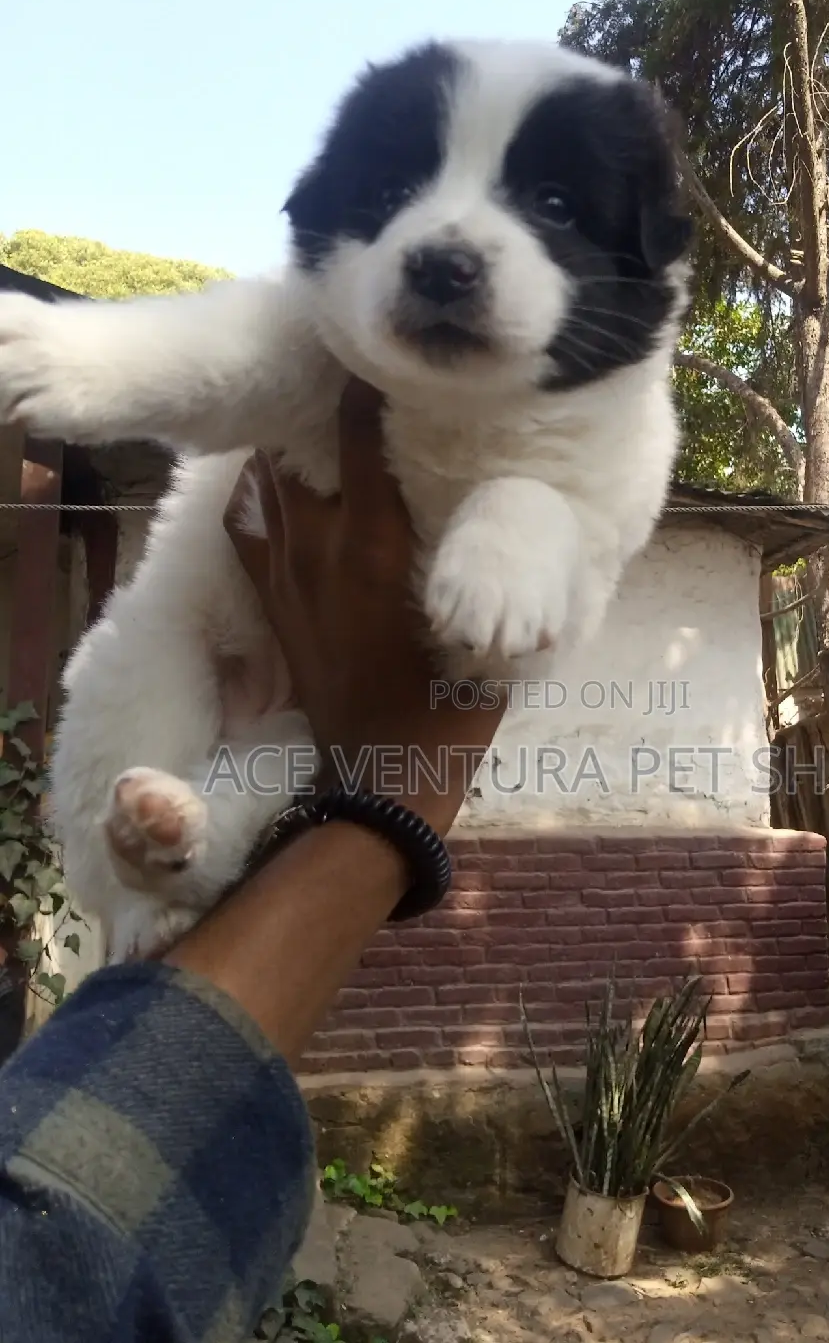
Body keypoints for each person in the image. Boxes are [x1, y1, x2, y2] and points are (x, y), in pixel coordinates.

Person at [0, 380, 505, 1343]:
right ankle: (154, 890)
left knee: (257, 768)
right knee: (155, 739)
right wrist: (397, 810)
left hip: (278, 737)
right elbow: (59, 1250)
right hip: (205, 651)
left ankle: (170, 885)